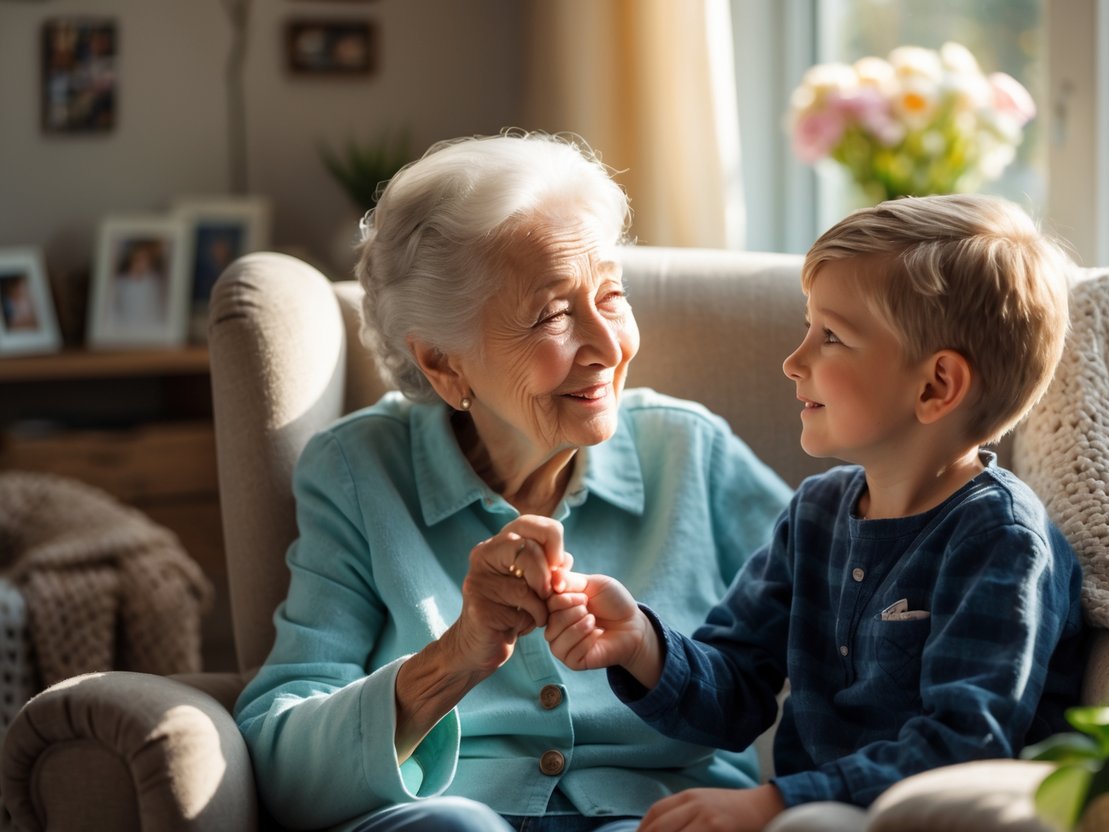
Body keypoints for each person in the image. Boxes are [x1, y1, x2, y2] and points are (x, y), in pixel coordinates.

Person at [233, 131, 792, 832]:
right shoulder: (358, 471)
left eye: (611, 297)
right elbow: (280, 765)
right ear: (442, 364)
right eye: (554, 314)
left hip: (654, 813)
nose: (607, 345)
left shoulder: (688, 450)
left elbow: (852, 620)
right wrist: (457, 655)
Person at [544, 194, 1089, 831]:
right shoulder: (817, 514)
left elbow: (965, 744)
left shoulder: (1001, 539)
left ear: (936, 385)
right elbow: (737, 692)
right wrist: (641, 646)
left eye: (830, 337)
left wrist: (776, 803)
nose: (794, 360)